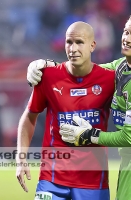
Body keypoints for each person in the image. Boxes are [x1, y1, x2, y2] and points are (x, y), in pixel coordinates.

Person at [26, 12, 131, 199]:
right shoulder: (123, 66)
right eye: (126, 32)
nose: (127, 39)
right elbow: (89, 71)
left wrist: (89, 135)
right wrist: (49, 66)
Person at [16, 21, 115, 200]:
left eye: (79, 42)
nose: (73, 48)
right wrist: (21, 158)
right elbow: (29, 117)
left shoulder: (110, 80)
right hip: (52, 179)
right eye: (69, 42)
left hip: (93, 182)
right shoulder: (48, 77)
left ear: (93, 45)